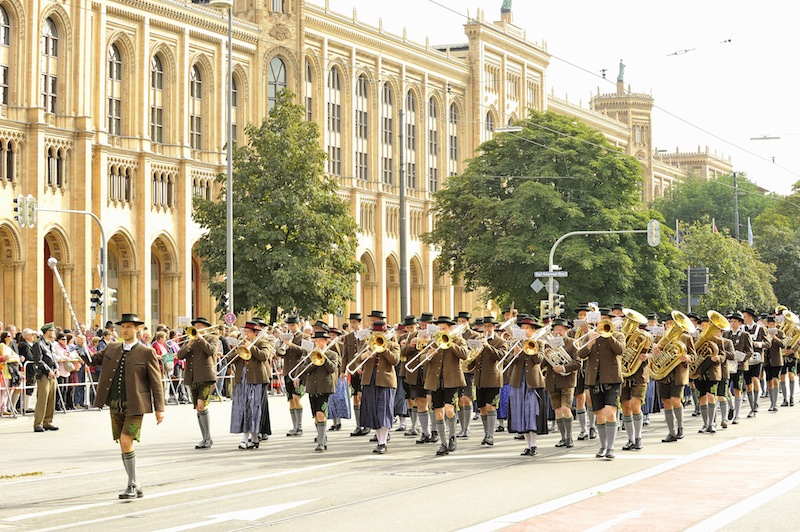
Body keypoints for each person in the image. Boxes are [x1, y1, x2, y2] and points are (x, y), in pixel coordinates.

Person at [87, 313, 165, 499]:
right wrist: (83, 345)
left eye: (129, 326)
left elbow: (156, 382)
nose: (125, 330)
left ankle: (132, 484)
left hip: (136, 405)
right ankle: (136, 483)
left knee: (125, 440)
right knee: (123, 444)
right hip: (116, 403)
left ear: (137, 329)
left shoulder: (146, 352)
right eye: (123, 327)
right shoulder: (112, 347)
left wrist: (159, 408)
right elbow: (92, 360)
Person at [576, 312, 626, 459]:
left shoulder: (618, 335)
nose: (602, 322)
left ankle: (610, 448)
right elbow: (581, 354)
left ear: (610, 321)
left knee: (610, 412)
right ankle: (603, 446)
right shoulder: (591, 336)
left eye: (605, 320)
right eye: (600, 320)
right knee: (599, 415)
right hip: (594, 380)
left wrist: (608, 335)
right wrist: (590, 343)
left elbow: (620, 350)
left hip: (612, 379)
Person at [423, 316, 467, 456]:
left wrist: (450, 343)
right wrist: (428, 355)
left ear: (450, 328)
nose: (441, 331)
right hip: (436, 381)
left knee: (449, 409)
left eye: (444, 328)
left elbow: (465, 355)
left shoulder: (459, 340)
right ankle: (443, 443)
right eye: (439, 329)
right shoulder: (433, 342)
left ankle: (452, 436)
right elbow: (422, 360)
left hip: (452, 380)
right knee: (438, 412)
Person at [357, 320, 401, 453]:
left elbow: (395, 360)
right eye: (375, 332)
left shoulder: (393, 345)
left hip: (385, 381)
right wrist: (363, 356)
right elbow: (357, 358)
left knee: (384, 411)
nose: (377, 335)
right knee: (373, 412)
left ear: (385, 332)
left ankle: (383, 442)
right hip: (369, 380)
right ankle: (379, 440)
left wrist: (383, 349)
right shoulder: (368, 344)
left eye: (380, 332)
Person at [176, 317, 220, 449]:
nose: (197, 328)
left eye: (200, 326)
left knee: (201, 405)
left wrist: (201, 339)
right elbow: (180, 355)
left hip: (206, 377)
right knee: (198, 407)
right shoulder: (190, 340)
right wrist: (189, 344)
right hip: (193, 377)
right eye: (196, 326)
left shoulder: (212, 338)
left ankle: (208, 438)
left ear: (206, 327)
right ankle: (205, 438)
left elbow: (211, 351)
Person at [506, 317, 548, 456]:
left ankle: (534, 444)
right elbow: (508, 361)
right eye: (522, 328)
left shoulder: (539, 342)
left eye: (527, 328)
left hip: (533, 382)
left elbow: (539, 359)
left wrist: (529, 349)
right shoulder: (515, 343)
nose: (524, 330)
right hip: (518, 381)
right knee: (520, 412)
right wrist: (515, 353)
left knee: (531, 411)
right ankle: (528, 445)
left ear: (533, 330)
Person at [227, 321, 270, 449]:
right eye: (244, 332)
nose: (245, 334)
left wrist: (251, 347)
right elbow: (229, 359)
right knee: (243, 408)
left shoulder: (262, 343)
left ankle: (246, 439)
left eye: (248, 332)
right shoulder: (241, 343)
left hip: (255, 379)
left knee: (252, 409)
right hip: (242, 379)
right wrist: (239, 350)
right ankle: (254, 439)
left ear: (255, 333)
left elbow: (264, 356)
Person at [469, 316, 507, 445]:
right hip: (479, 379)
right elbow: (473, 358)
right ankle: (486, 434)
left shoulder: (500, 341)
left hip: (493, 379)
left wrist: (487, 346)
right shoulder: (478, 340)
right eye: (485, 326)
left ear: (494, 327)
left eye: (489, 326)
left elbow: (501, 356)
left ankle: (490, 435)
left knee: (491, 406)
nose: (486, 328)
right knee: (482, 408)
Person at [545, 318, 581, 449]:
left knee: (566, 408)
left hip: (567, 380)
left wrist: (564, 368)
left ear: (566, 330)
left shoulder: (572, 343)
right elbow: (542, 364)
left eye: (560, 329)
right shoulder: (548, 344)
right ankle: (563, 437)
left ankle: (569, 437)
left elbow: (578, 362)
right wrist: (545, 355)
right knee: (558, 410)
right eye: (556, 329)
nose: (558, 332)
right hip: (552, 380)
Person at [303, 330, 339, 452]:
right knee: (316, 416)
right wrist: (314, 360)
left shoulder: (332, 354)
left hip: (325, 387)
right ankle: (322, 439)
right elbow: (305, 369)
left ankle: (320, 443)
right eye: (316, 341)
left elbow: (332, 368)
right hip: (312, 387)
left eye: (320, 341)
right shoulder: (311, 354)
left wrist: (323, 357)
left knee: (321, 413)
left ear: (326, 341)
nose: (317, 343)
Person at [278, 315, 310, 436]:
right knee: (291, 399)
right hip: (287, 370)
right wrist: (281, 346)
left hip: (298, 371)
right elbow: (280, 353)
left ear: (298, 325)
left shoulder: (305, 336)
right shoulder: (286, 337)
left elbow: (305, 351)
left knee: (297, 397)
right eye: (289, 325)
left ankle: (299, 426)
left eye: (292, 325)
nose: (290, 328)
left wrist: (291, 345)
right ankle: (294, 426)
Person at [725, 312, 753, 424]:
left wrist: (742, 358)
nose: (732, 324)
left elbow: (750, 351)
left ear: (740, 323)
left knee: (738, 389)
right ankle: (731, 406)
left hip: (739, 366)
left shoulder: (745, 334)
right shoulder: (726, 334)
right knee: (726, 388)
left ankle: (737, 415)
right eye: (731, 321)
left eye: (735, 322)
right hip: (728, 365)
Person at [31, 323, 59, 432]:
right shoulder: (38, 344)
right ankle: (38, 423)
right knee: (42, 399)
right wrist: (48, 370)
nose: (54, 332)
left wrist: (56, 368)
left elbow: (53, 358)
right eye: (52, 330)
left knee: (51, 399)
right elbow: (39, 360)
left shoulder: (50, 344)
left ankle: (48, 422)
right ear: (47, 332)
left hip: (52, 374)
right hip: (44, 374)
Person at [455, 311, 479, 438]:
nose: (460, 324)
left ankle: (467, 428)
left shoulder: (475, 335)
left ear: (468, 322)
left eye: (463, 321)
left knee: (467, 398)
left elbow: (476, 351)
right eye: (459, 321)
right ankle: (462, 428)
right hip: (456, 370)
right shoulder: (454, 335)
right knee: (459, 400)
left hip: (469, 370)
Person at [742, 308, 769, 417]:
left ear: (750, 317)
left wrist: (759, 344)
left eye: (744, 317)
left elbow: (768, 343)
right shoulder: (742, 329)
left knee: (755, 379)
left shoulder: (760, 328)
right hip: (746, 359)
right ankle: (751, 405)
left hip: (757, 358)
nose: (743, 319)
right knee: (748, 383)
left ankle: (756, 402)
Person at [762, 315, 785, 412]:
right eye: (769, 324)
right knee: (769, 381)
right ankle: (771, 403)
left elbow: (783, 344)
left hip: (776, 360)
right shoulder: (764, 332)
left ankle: (775, 403)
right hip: (767, 360)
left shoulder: (780, 332)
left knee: (776, 380)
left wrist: (775, 337)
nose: (771, 325)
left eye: (773, 324)